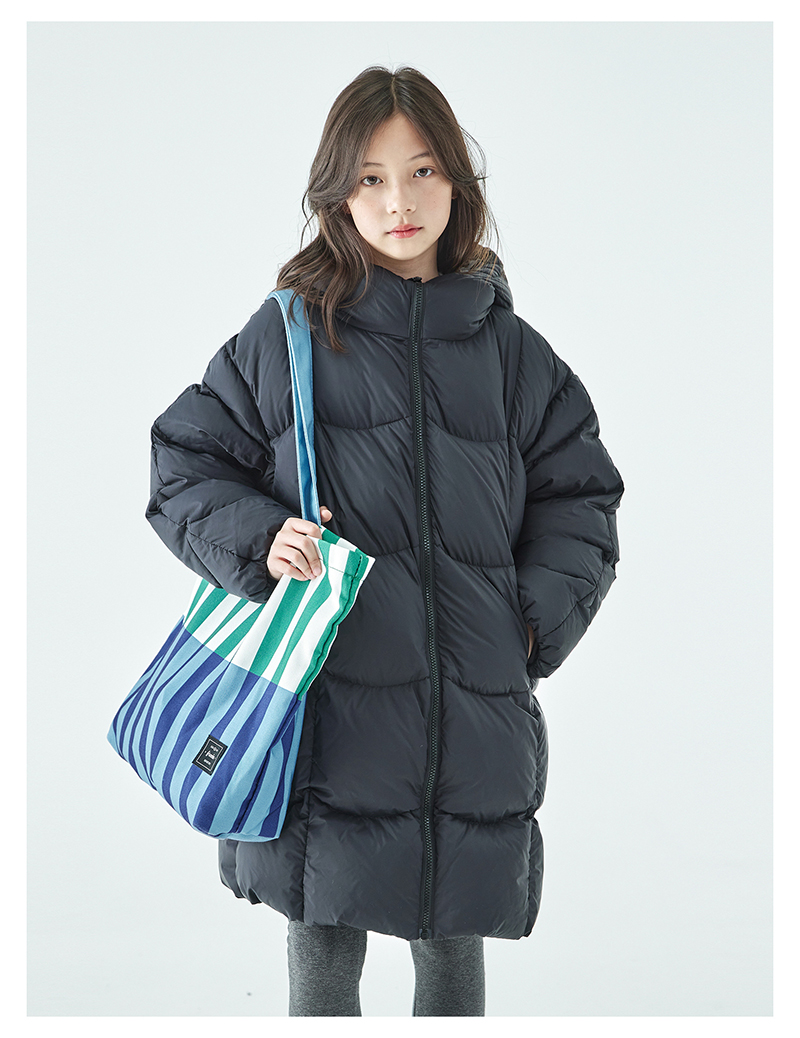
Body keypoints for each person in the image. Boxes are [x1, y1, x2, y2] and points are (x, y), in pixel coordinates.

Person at [144, 65, 625, 1017]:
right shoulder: (288, 337)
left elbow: (582, 498)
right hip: (326, 705)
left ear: (458, 182)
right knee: (325, 939)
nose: (399, 202)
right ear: (337, 193)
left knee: (454, 945)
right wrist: (261, 538)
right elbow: (183, 462)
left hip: (468, 709)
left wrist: (529, 622)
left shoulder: (514, 354)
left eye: (422, 171)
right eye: (370, 178)